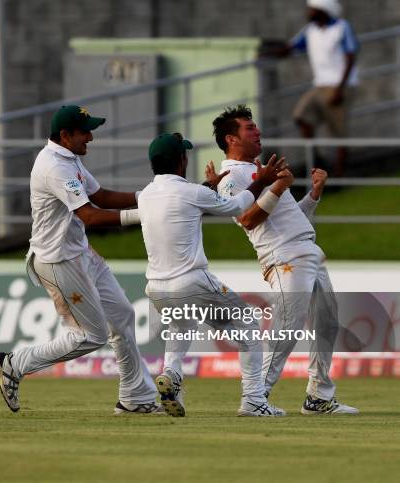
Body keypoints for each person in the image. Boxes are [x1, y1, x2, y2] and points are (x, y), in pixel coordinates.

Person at [0, 105, 160, 415]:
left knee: (122, 314)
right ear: (66, 135)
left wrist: (152, 195)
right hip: (58, 261)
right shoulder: (54, 166)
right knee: (90, 336)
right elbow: (90, 215)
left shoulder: (69, 159)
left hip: (79, 252)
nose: (91, 137)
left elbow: (102, 196)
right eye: (85, 132)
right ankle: (14, 364)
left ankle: (135, 398)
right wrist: (146, 214)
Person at [212, 105, 358, 414]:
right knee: (286, 329)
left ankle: (318, 397)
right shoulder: (229, 178)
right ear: (231, 139)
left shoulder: (260, 169)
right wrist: (278, 185)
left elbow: (293, 220)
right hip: (284, 258)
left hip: (308, 252)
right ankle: (256, 397)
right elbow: (248, 220)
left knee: (327, 324)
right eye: (249, 128)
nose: (258, 131)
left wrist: (314, 194)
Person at [138, 132, 290, 417]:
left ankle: (171, 378)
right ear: (181, 160)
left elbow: (179, 202)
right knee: (248, 324)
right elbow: (235, 207)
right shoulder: (192, 192)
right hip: (192, 281)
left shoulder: (146, 195)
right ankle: (254, 401)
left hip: (156, 288)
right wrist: (261, 181)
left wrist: (209, 187)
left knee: (180, 329)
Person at [264, 0, 359, 176]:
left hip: (339, 85)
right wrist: (266, 52)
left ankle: (340, 175)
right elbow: (291, 48)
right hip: (320, 84)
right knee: (301, 116)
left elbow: (351, 56)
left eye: (312, 9)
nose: (309, 12)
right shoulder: (311, 30)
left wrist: (340, 89)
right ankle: (317, 159)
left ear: (323, 10)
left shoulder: (341, 27)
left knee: (338, 131)